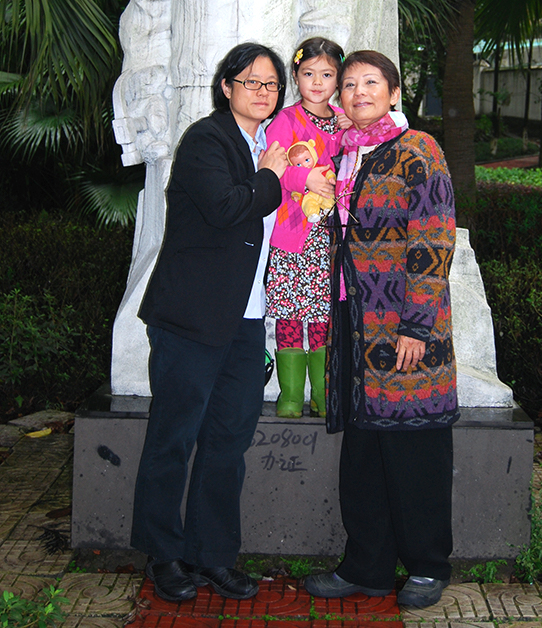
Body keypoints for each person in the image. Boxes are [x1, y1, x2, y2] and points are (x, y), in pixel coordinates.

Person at [110, 0, 351, 396]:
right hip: (194, 91)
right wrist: (145, 80)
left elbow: (325, 6)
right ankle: (176, 339)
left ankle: (271, 348)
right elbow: (149, 5)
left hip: (278, 106)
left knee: (280, 224)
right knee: (186, 227)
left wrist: (317, 101)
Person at [130, 43, 288, 604]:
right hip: (191, 321)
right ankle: (164, 554)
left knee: (228, 443)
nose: (263, 92)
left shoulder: (267, 143)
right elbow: (225, 206)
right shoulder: (207, 138)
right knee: (173, 439)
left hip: (246, 323)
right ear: (227, 86)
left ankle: (212, 555)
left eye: (271, 85)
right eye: (251, 82)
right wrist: (270, 177)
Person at [304, 51, 458, 609]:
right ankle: (366, 565)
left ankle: (426, 565)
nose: (358, 92)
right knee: (364, 447)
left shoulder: (419, 149)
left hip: (405, 325)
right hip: (354, 322)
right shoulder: (347, 152)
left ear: (394, 92)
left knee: (415, 447)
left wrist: (417, 324)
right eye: (348, 84)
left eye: (371, 82)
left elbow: (436, 238)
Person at [264, 37, 348, 418]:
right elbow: (274, 168)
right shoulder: (285, 120)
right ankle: (291, 396)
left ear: (338, 78)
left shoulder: (345, 121)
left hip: (332, 240)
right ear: (296, 77)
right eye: (308, 73)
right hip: (293, 237)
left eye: (327, 74)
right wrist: (305, 179)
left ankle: (322, 393)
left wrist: (351, 131)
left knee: (323, 316)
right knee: (289, 314)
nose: (317, 81)